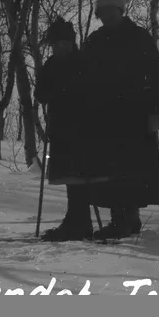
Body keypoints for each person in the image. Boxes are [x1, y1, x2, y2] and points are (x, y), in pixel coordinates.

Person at [79, 0, 159, 240]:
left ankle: (127, 219)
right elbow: (83, 74)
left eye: (108, 11)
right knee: (112, 169)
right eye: (101, 13)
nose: (105, 17)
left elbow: (154, 75)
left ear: (119, 11)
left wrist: (154, 111)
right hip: (105, 116)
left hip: (135, 115)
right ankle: (123, 219)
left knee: (131, 168)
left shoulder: (139, 38)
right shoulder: (95, 41)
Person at [35, 17, 99, 242]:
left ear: (72, 43)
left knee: (79, 175)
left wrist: (65, 91)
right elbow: (40, 94)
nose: (60, 47)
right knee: (70, 176)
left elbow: (91, 92)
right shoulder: (51, 64)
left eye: (64, 43)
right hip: (60, 126)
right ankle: (76, 220)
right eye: (56, 44)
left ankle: (79, 222)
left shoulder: (83, 62)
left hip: (82, 126)